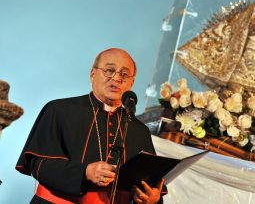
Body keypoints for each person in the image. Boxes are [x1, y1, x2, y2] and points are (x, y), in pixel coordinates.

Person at [16, 48, 165, 203]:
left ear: (131, 83)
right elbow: (38, 165)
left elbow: (151, 183)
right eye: (109, 70)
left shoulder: (139, 130)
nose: (116, 78)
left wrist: (153, 199)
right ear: (92, 75)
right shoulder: (59, 110)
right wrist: (85, 172)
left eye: (124, 74)